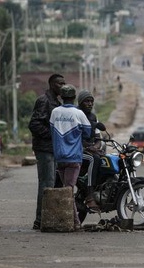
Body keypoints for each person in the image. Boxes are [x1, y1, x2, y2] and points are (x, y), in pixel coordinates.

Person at [50, 85, 92, 230]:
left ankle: (71, 220)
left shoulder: (55, 112)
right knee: (69, 190)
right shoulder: (78, 113)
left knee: (65, 189)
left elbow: (52, 131)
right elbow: (87, 133)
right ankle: (75, 222)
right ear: (74, 98)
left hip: (59, 157)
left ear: (61, 97)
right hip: (74, 157)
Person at [29, 73, 65, 230]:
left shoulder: (57, 102)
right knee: (46, 183)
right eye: (59, 84)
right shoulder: (44, 101)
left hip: (53, 149)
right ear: (51, 84)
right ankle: (40, 219)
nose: (62, 86)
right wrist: (53, 136)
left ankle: (46, 218)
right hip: (45, 149)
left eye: (63, 84)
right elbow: (34, 124)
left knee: (52, 183)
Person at [76, 90, 103, 212]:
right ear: (80, 102)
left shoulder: (93, 117)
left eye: (91, 101)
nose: (90, 103)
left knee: (105, 160)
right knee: (94, 159)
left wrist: (96, 147)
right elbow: (74, 137)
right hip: (78, 150)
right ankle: (90, 195)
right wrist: (88, 148)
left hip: (90, 149)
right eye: (87, 101)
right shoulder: (75, 114)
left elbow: (98, 139)